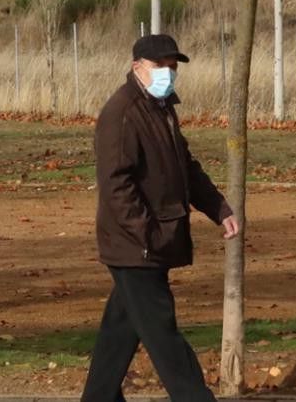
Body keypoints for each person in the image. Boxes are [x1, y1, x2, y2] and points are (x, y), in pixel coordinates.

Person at [81, 33, 239, 402]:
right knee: (164, 336)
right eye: (160, 66)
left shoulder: (162, 108)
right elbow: (116, 185)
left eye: (173, 67)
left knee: (119, 332)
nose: (168, 73)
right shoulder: (121, 114)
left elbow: (186, 167)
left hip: (150, 242)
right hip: (135, 247)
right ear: (137, 67)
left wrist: (219, 209)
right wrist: (146, 235)